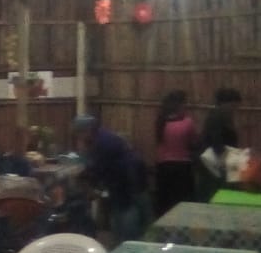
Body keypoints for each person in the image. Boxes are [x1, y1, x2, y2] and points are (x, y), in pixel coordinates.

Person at [71, 114, 150, 242]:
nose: (78, 137)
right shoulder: (102, 136)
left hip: (128, 184)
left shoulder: (103, 143)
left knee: (127, 221)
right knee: (123, 218)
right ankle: (123, 243)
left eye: (79, 134)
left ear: (88, 130)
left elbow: (98, 169)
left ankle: (127, 246)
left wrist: (86, 181)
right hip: (129, 182)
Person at [153, 90, 199, 216]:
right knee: (183, 202)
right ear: (180, 105)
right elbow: (194, 142)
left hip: (163, 166)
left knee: (165, 202)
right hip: (182, 166)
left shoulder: (161, 122)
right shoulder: (187, 122)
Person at [200, 87, 243, 200]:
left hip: (221, 160)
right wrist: (227, 161)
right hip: (215, 162)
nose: (234, 109)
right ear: (224, 104)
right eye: (233, 106)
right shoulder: (216, 117)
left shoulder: (223, 117)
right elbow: (216, 142)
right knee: (214, 194)